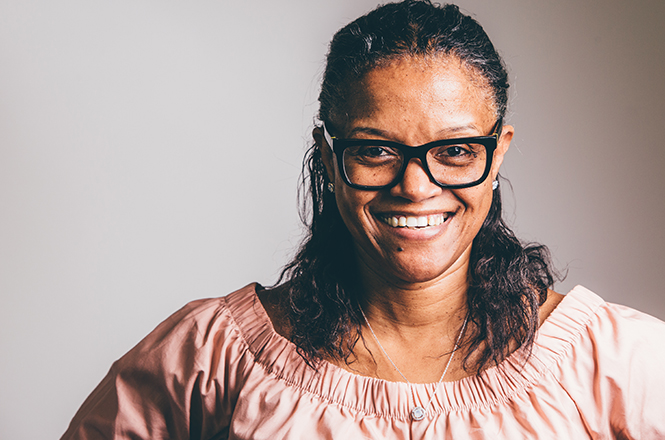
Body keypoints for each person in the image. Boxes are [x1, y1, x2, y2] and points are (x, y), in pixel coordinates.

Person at [60, 1, 665, 438]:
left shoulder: (618, 364)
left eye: (455, 150)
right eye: (375, 150)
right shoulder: (209, 360)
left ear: (496, 153)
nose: (415, 187)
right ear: (329, 157)